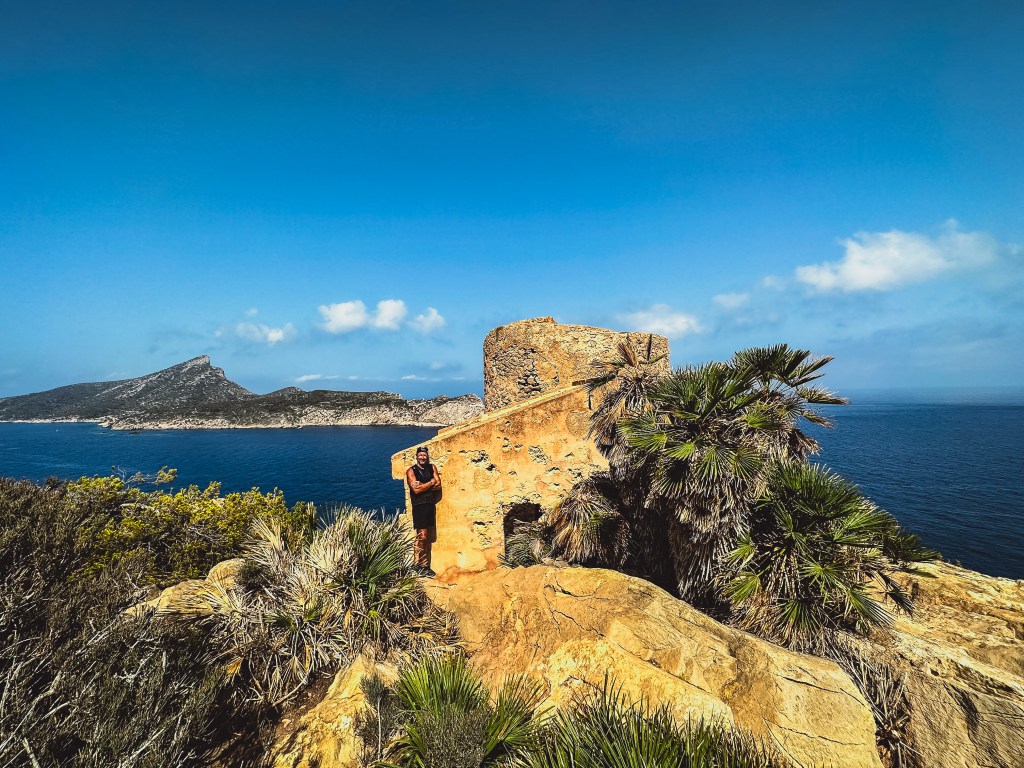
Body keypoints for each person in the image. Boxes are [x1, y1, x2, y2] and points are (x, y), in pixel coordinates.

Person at [406, 446, 440, 577]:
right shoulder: (411, 471)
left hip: (430, 504)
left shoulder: (432, 468)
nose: (422, 457)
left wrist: (422, 485)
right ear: (416, 456)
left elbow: (439, 485)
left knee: (424, 537)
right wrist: (431, 482)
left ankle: (418, 564)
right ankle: (422, 565)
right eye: (420, 455)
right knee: (423, 536)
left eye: (424, 455)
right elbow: (416, 490)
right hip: (419, 506)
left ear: (427, 456)